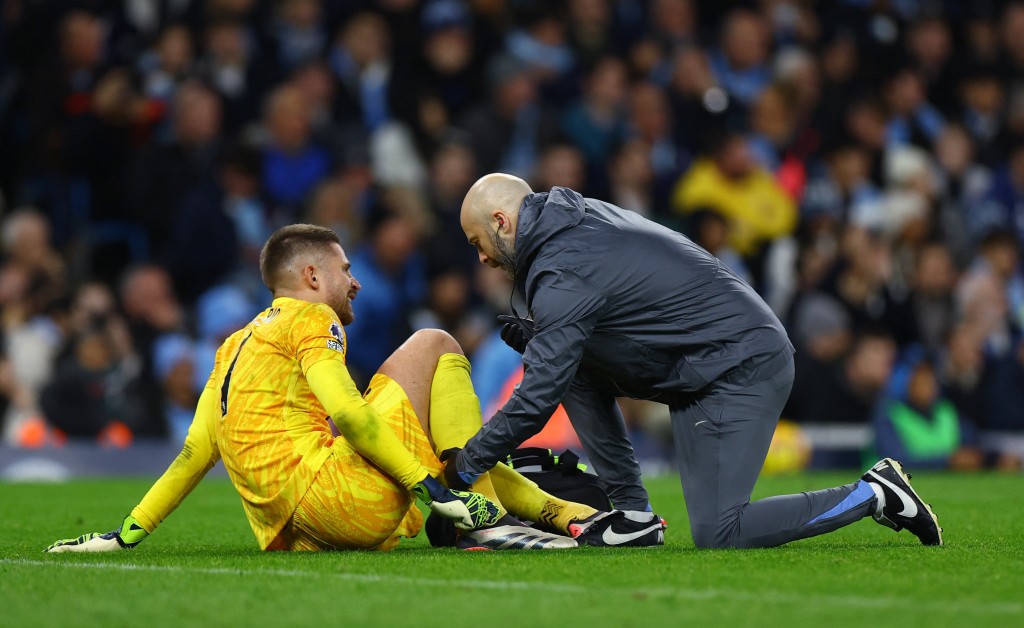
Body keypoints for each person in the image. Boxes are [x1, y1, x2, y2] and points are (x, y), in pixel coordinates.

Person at [446, 173, 944, 549]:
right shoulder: (573, 224)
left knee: (721, 531)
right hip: (700, 360)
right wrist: (545, 339)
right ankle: (634, 516)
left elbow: (536, 400)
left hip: (740, 364)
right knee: (565, 364)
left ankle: (874, 493)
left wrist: (467, 464)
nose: (483, 259)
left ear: (501, 222)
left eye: (477, 244)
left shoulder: (560, 265)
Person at [46, 224, 596, 553]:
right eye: (346, 269)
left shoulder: (232, 347)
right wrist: (439, 496)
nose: (355, 281)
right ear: (312, 278)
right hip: (338, 499)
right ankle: (490, 518)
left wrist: (124, 536)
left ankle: (562, 513)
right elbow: (351, 416)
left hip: (298, 535)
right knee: (435, 343)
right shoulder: (311, 320)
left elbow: (194, 454)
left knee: (440, 435)